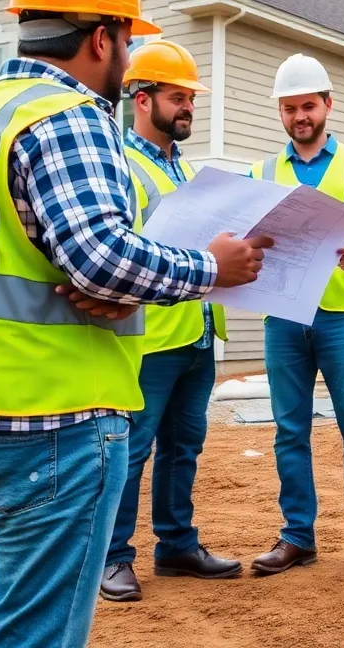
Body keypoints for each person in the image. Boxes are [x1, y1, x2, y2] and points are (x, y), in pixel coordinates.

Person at [0, 0, 271, 648]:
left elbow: (25, 254)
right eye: (128, 43)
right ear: (103, 38)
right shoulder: (68, 116)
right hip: (48, 415)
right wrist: (210, 268)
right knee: (32, 635)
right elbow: (99, 258)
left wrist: (115, 284)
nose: (127, 60)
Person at [246, 53, 344, 579]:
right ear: (280, 112)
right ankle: (297, 537)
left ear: (328, 105)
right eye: (289, 108)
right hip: (283, 318)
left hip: (341, 317)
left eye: (308, 106)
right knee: (289, 430)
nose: (299, 116)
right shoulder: (261, 173)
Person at [99, 40, 242, 602]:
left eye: (191, 98)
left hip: (197, 332)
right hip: (150, 338)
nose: (188, 107)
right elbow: (123, 251)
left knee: (184, 446)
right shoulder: (120, 165)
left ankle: (177, 545)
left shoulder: (184, 170)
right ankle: (113, 556)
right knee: (132, 449)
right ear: (141, 98)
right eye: (177, 97)